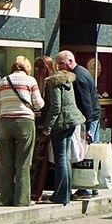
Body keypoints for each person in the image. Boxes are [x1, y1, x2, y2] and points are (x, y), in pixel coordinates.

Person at [0, 56, 45, 207]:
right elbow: (39, 103)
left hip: (5, 123)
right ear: (27, 67)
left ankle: (6, 198)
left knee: (6, 162)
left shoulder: (3, 81)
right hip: (24, 123)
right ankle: (22, 199)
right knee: (23, 163)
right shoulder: (30, 81)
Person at [37, 55, 85, 206]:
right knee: (65, 158)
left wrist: (47, 127)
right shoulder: (67, 80)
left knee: (61, 159)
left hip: (62, 123)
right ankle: (66, 192)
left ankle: (61, 195)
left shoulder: (54, 82)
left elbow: (55, 107)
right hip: (72, 120)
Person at [56, 50, 102, 199]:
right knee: (89, 153)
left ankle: (86, 188)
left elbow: (85, 103)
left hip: (89, 119)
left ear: (70, 61)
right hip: (91, 117)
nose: (59, 67)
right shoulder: (81, 72)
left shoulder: (79, 77)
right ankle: (92, 186)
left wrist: (87, 127)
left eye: (61, 64)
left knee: (85, 154)